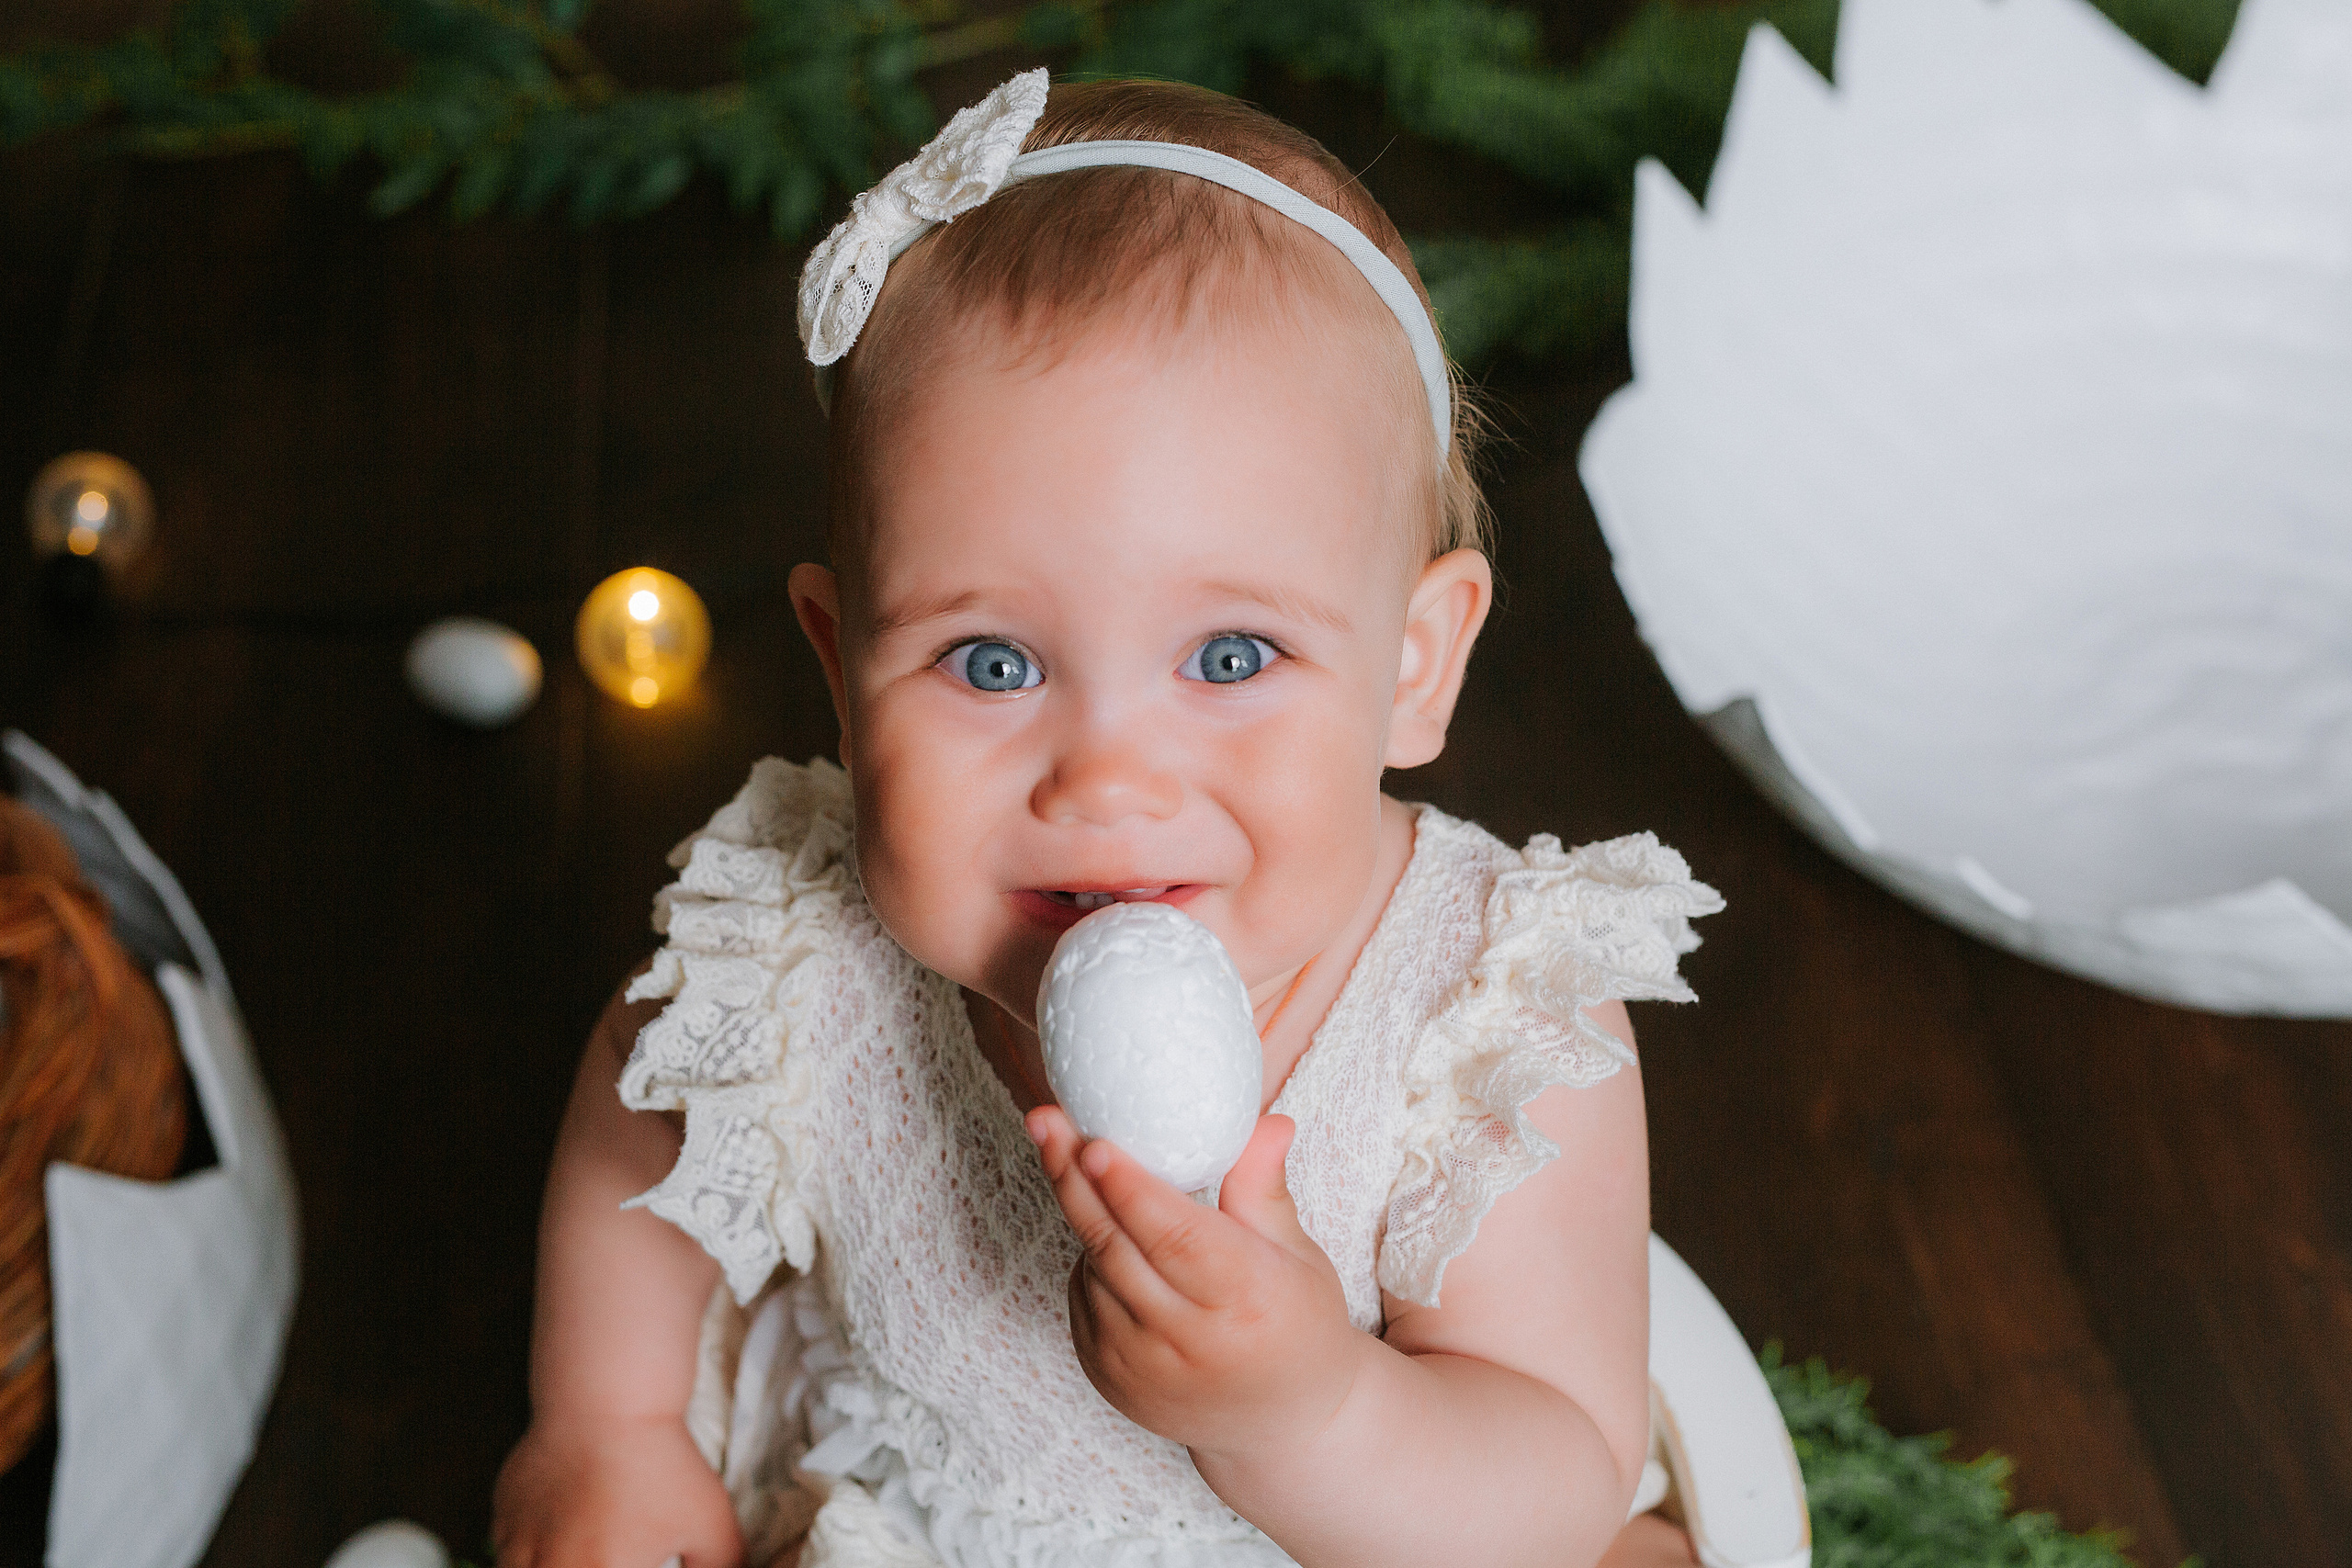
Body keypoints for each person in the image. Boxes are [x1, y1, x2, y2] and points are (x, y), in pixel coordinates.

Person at [492, 69, 1723, 1568]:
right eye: (991, 663)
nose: (1107, 782)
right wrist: (606, 1423)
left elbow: (1554, 1480)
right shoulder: (804, 931)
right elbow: (638, 1115)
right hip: (927, 1519)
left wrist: (1311, 1411)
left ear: (1415, 667)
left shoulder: (1483, 1015)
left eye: (1230, 658)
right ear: (840, 668)